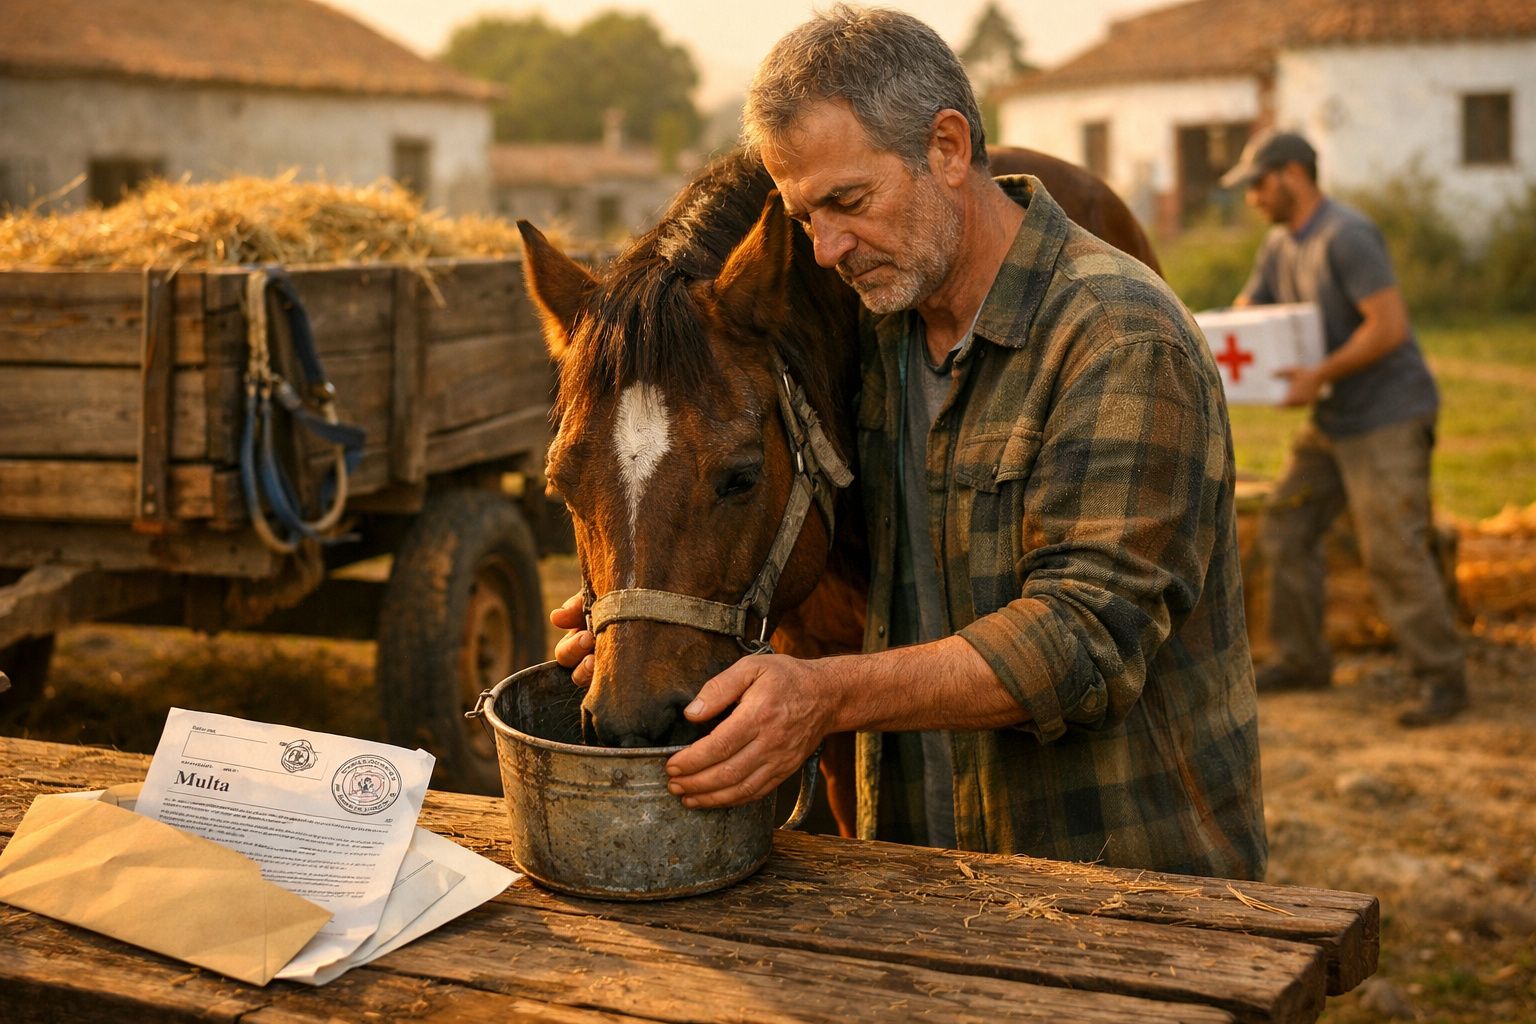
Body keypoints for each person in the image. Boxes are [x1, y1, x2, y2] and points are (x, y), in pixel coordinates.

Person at [555, 6, 1266, 879]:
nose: (824, 249)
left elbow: (1087, 640)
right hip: (927, 875)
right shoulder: (877, 333)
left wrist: (823, 697)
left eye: (849, 202)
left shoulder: (1120, 338)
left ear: (949, 147)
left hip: (1121, 885)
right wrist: (655, 607)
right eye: (803, 216)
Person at [1221, 129, 1468, 727]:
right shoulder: (1280, 245)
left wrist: (1317, 375)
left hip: (1388, 415)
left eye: (1259, 183)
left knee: (1392, 549)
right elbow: (1249, 310)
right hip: (1333, 419)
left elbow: (1388, 326)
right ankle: (1303, 660)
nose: (1253, 197)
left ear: (1292, 175)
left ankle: (1443, 679)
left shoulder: (1347, 235)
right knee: (1286, 527)